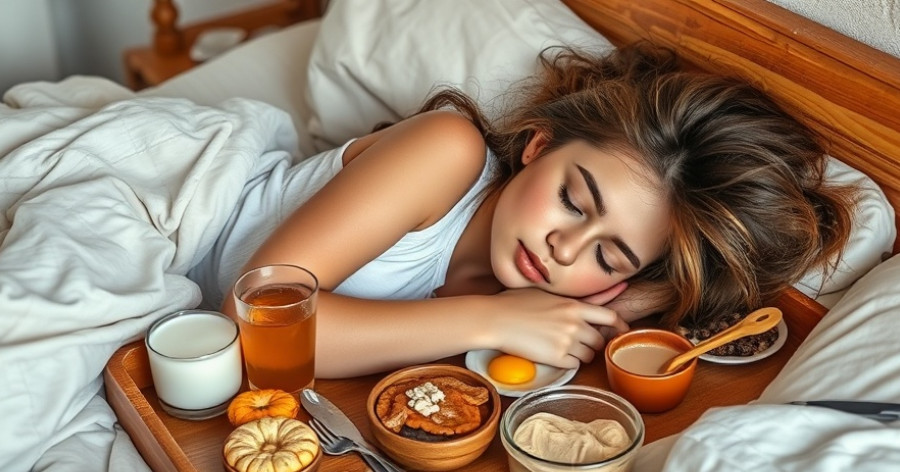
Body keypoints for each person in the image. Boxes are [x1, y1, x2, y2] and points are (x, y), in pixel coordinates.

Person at [189, 42, 856, 378]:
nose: (566, 248)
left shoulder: (545, 297)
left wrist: (636, 300)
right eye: (573, 199)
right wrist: (491, 316)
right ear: (538, 145)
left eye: (608, 254)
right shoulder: (443, 152)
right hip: (181, 216)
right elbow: (259, 323)